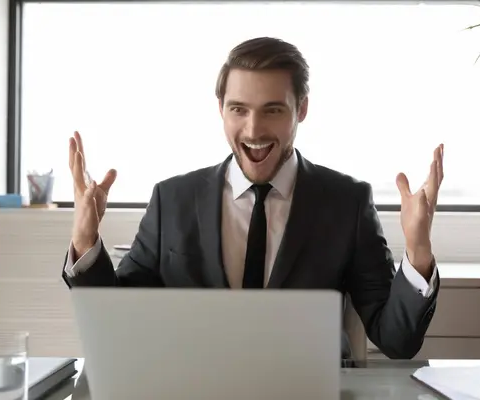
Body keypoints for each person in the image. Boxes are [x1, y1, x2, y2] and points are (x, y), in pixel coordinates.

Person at [62, 36, 444, 360]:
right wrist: (84, 241)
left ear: (302, 109)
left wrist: (419, 250)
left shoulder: (347, 203)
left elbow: (396, 340)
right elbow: (116, 322)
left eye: (273, 110)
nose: (254, 129)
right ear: (221, 110)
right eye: (238, 109)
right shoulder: (172, 200)